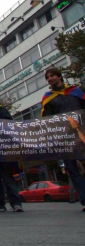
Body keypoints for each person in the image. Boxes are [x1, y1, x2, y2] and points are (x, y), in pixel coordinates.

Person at [41, 67, 85, 212]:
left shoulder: (76, 92)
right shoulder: (48, 98)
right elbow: (47, 120)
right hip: (64, 139)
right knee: (73, 170)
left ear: (60, 77)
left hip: (81, 135)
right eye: (47, 77)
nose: (50, 79)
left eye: (52, 76)